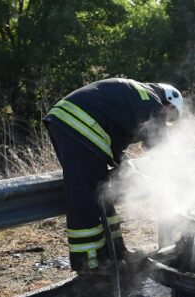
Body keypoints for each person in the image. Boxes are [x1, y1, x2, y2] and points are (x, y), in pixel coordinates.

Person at [42, 78, 183, 275]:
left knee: (101, 192)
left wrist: (123, 168)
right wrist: (175, 181)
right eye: (170, 115)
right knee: (86, 196)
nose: (166, 119)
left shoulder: (136, 95)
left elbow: (114, 137)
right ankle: (90, 263)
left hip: (68, 121)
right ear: (169, 103)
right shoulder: (153, 103)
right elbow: (160, 150)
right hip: (80, 125)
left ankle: (116, 253)